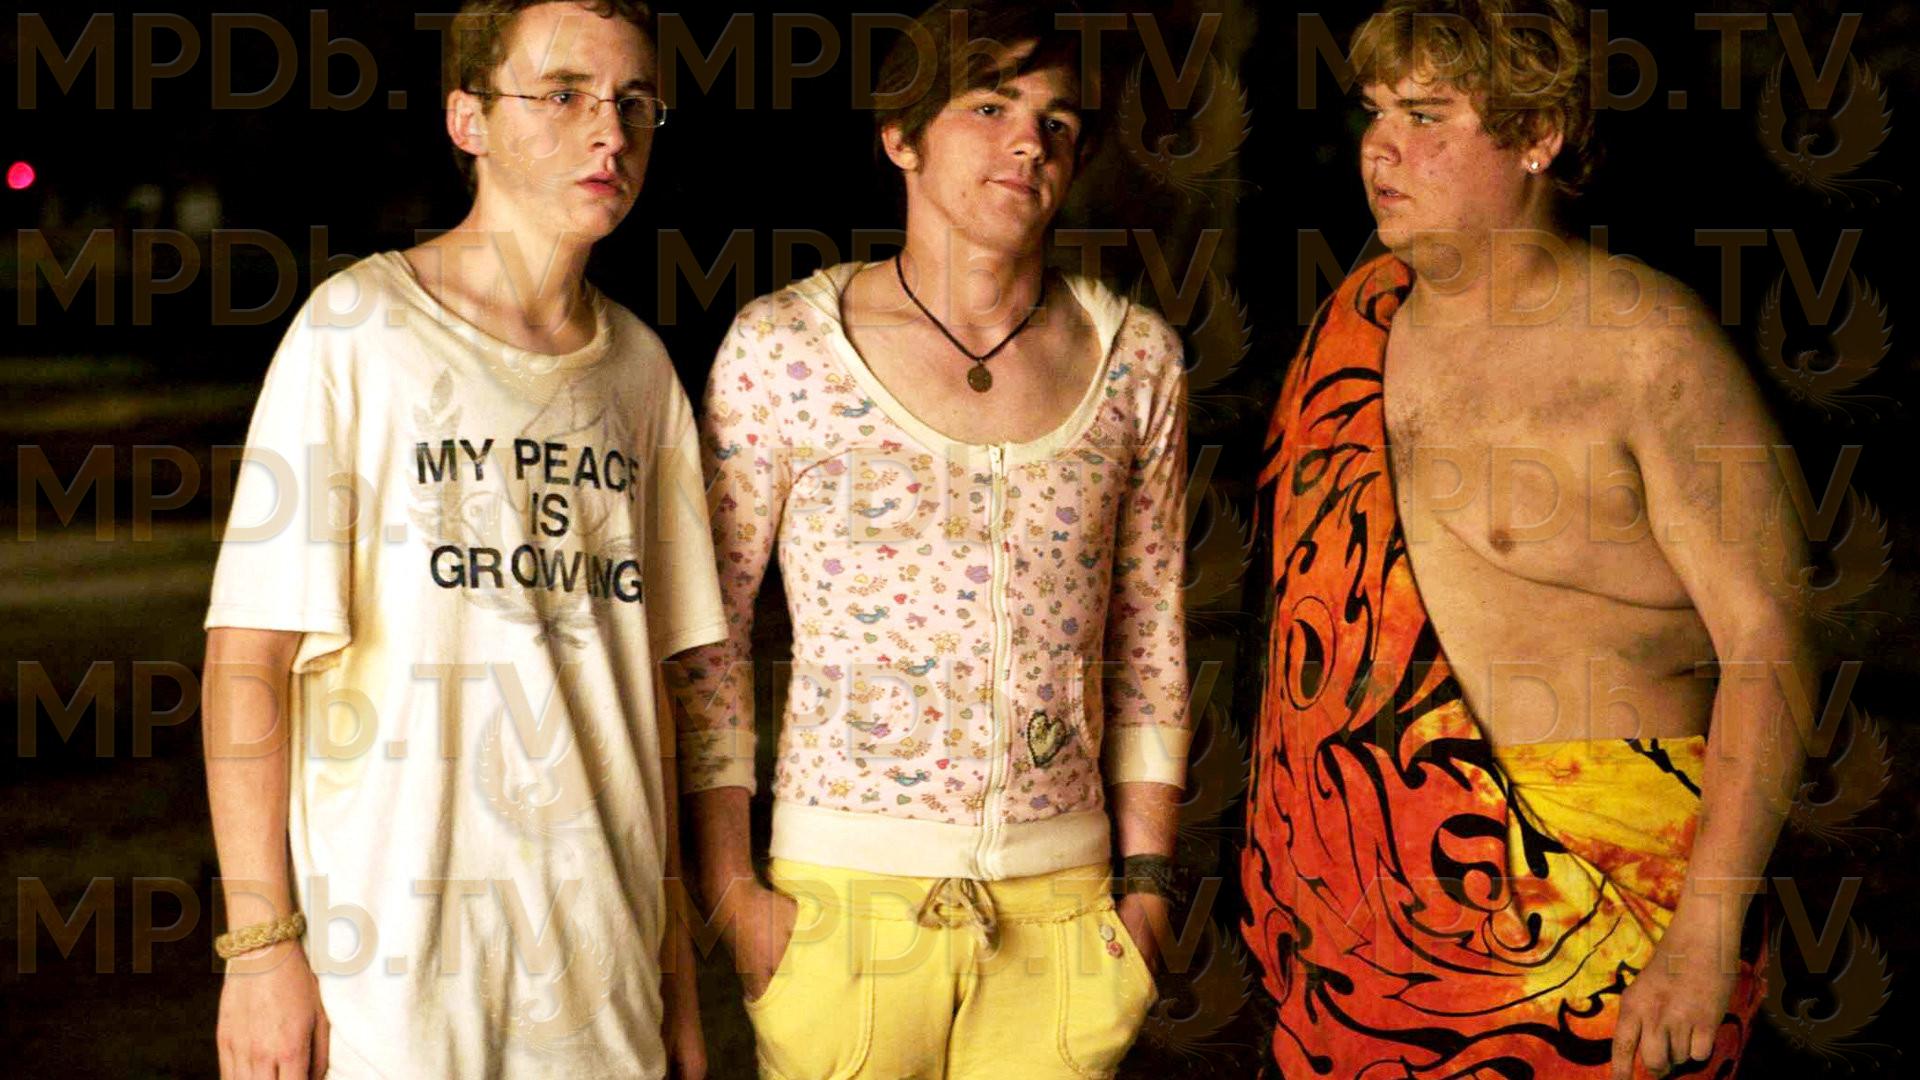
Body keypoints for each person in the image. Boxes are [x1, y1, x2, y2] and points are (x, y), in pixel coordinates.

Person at [1240, 3, 1812, 1078]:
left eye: (1426, 116)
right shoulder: (1357, 324)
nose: (1379, 148)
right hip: (1368, 944)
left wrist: (1704, 936)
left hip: (1605, 924)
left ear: (1539, 134)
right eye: (1376, 112)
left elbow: (1770, 644)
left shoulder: (1646, 349)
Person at [665, 2, 1192, 1076]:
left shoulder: (1135, 359)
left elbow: (1150, 637)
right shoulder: (785, 349)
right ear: (901, 136)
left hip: (1065, 909)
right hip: (842, 905)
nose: (1029, 141)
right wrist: (730, 889)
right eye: (991, 106)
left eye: (1055, 120)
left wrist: (1144, 893)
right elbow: (710, 633)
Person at [201, 2, 720, 1076]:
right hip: (395, 981)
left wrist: (673, 965)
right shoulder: (358, 331)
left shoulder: (640, 373)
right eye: (564, 95)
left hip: (601, 979)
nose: (609, 132)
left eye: (633, 104)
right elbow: (247, 659)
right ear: (467, 120)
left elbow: (652, 697)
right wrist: (260, 949)